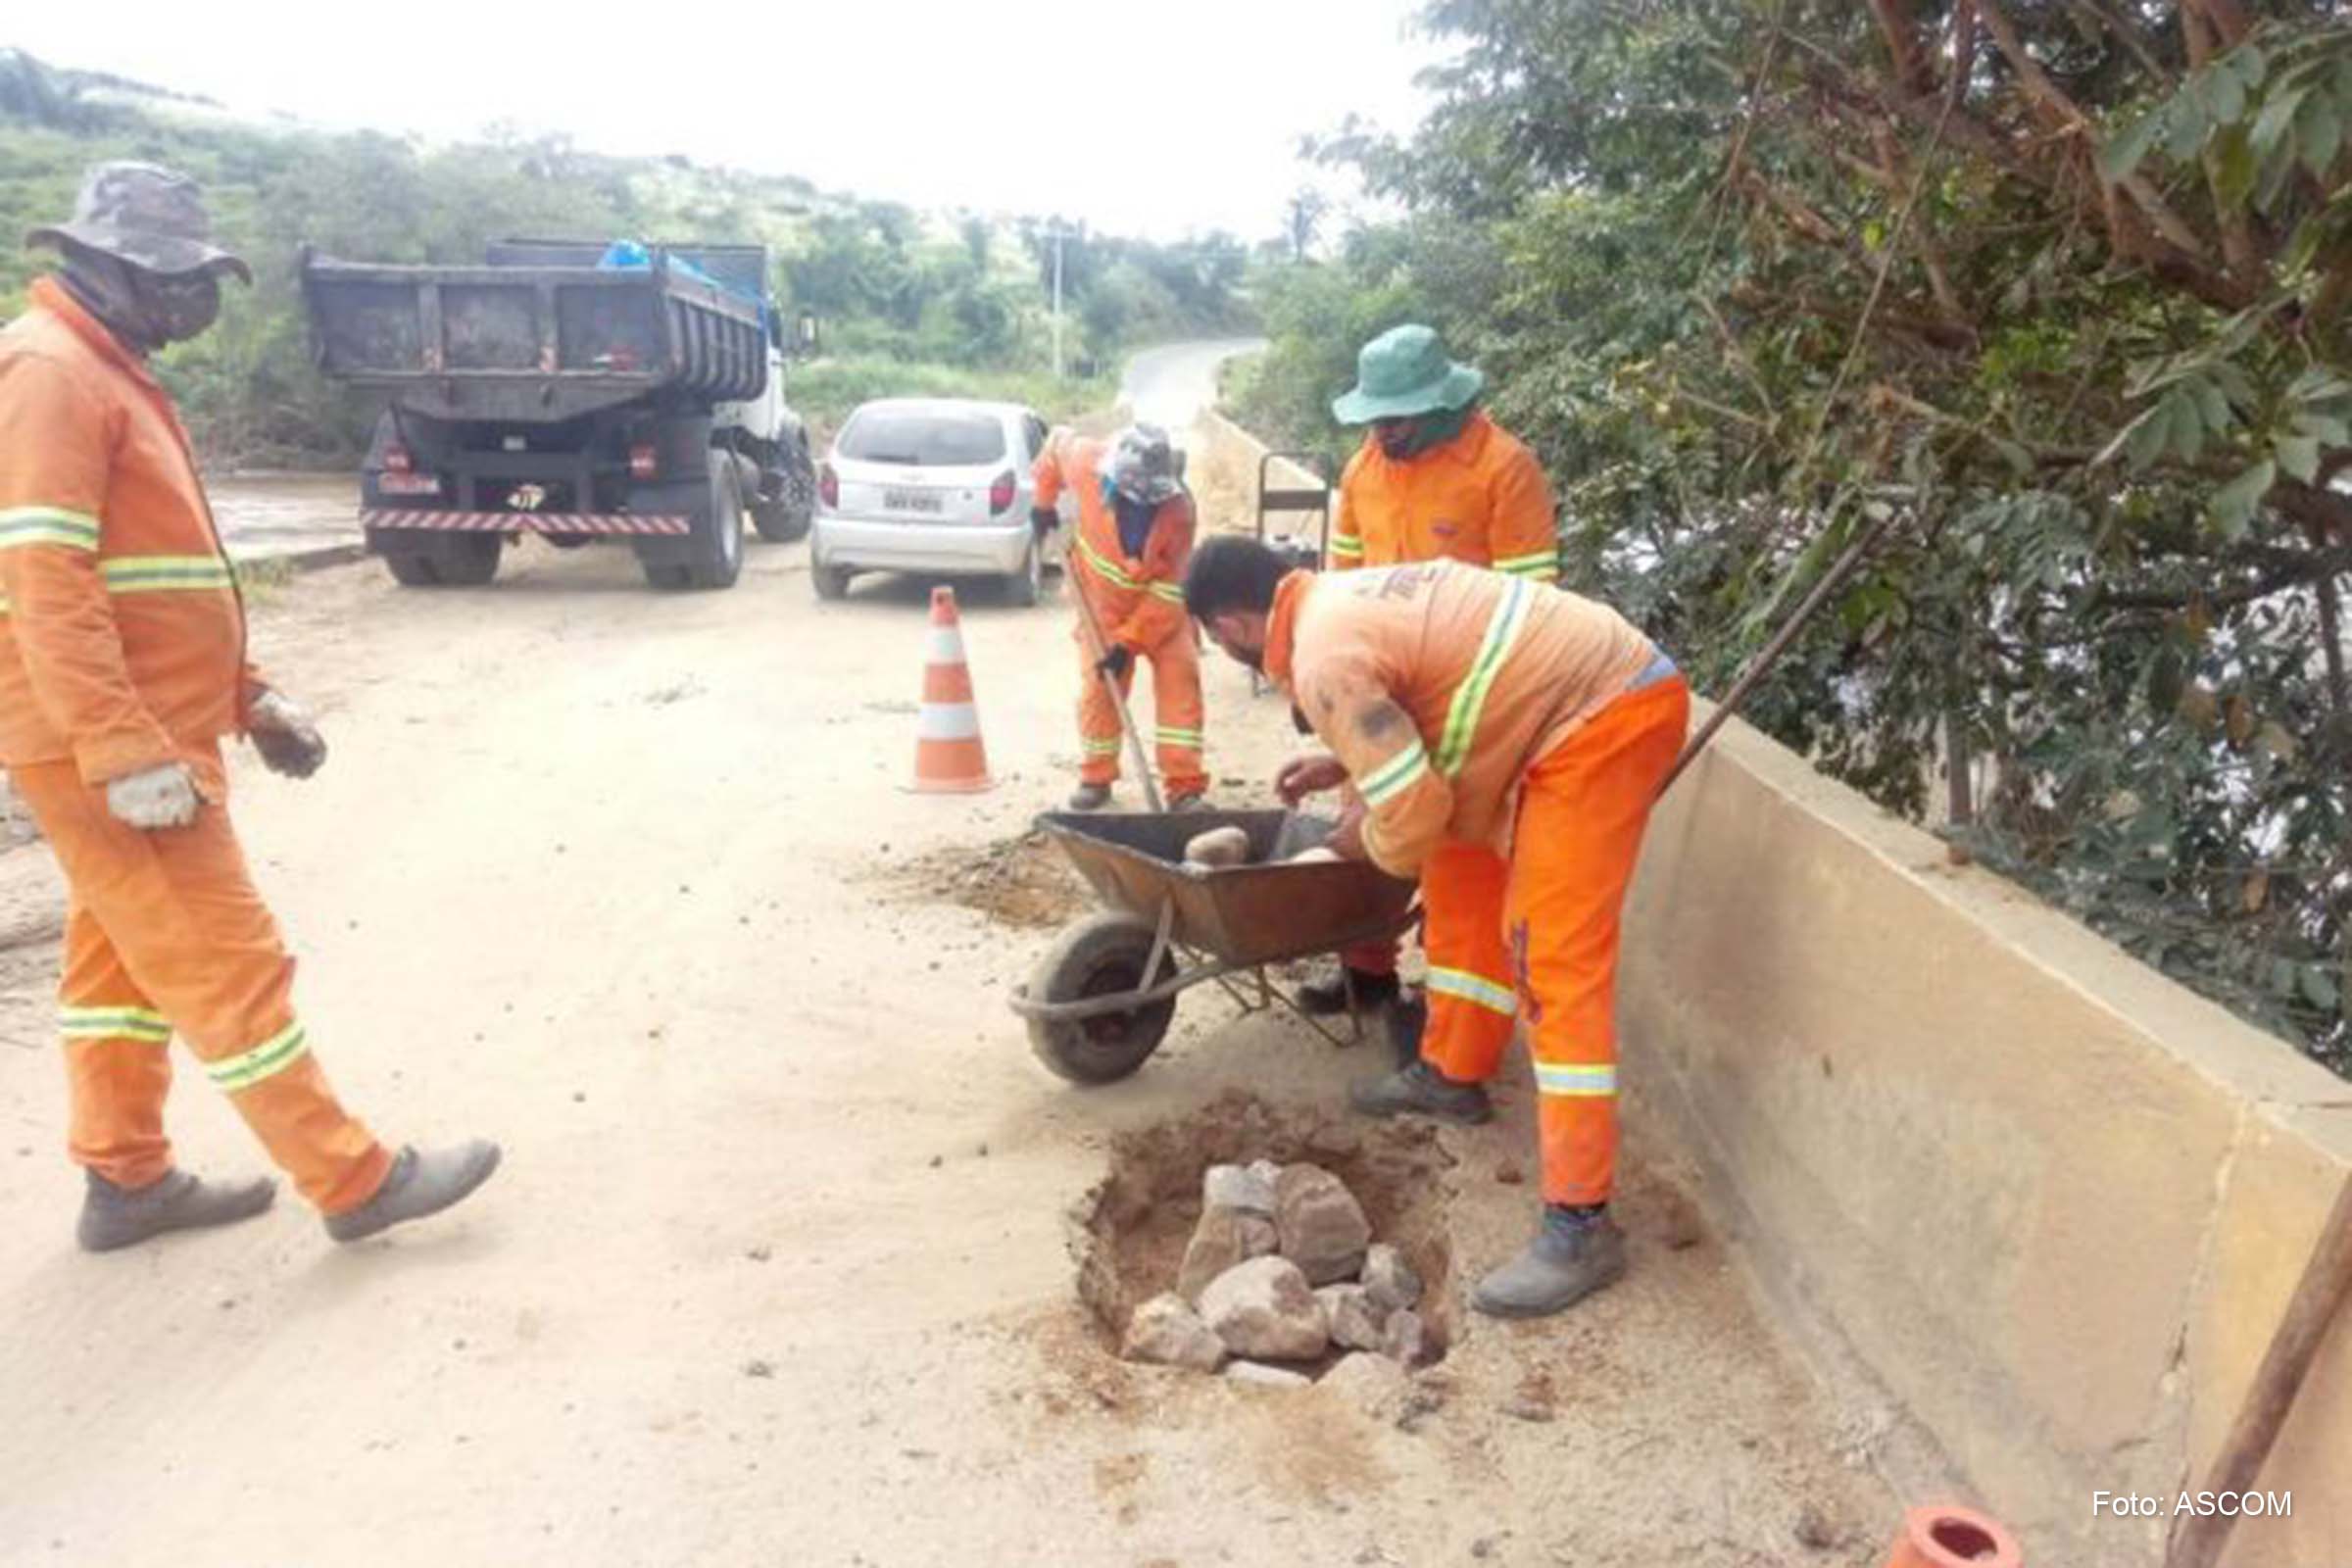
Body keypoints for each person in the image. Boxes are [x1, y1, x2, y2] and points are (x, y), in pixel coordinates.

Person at [0, 161, 501, 1251]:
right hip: (111, 746)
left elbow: (157, 583)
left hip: (151, 729)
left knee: (122, 967)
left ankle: (124, 1178)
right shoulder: (51, 372)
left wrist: (250, 695)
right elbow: (45, 578)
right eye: (181, 279)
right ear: (109, 265)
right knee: (228, 959)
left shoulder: (106, 367)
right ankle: (353, 1177)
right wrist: (121, 745)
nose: (199, 303)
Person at [1183, 535, 1687, 1318]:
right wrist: (1347, 768)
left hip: (1601, 718)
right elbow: (1433, 698)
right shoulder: (1333, 604)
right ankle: (1453, 1072)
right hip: (1551, 711)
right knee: (1458, 871)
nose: (1229, 655)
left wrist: (1352, 846)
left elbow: (1412, 811)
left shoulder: (1321, 659)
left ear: (1234, 624)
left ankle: (1581, 1222)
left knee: (1552, 961)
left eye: (1220, 644)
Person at [1298, 323, 1561, 1022]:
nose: (1383, 432)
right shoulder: (1361, 473)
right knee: (1365, 827)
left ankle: (1452, 1021)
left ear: (1443, 402)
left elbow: (1531, 604)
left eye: (1398, 418)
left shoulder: (1505, 470)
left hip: (1467, 698)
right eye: (1375, 418)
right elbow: (1341, 582)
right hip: (1378, 689)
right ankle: (1367, 970)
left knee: (1455, 859)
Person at [1031, 422, 1206, 809]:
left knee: (1182, 687)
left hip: (1161, 616)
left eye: (1148, 501)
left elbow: (1169, 590)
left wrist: (1130, 642)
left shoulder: (1179, 512)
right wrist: (1042, 503)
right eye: (1131, 498)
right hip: (1101, 610)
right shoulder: (1083, 460)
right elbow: (1054, 445)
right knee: (1099, 692)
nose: (1139, 505)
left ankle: (1185, 788)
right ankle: (1096, 778)